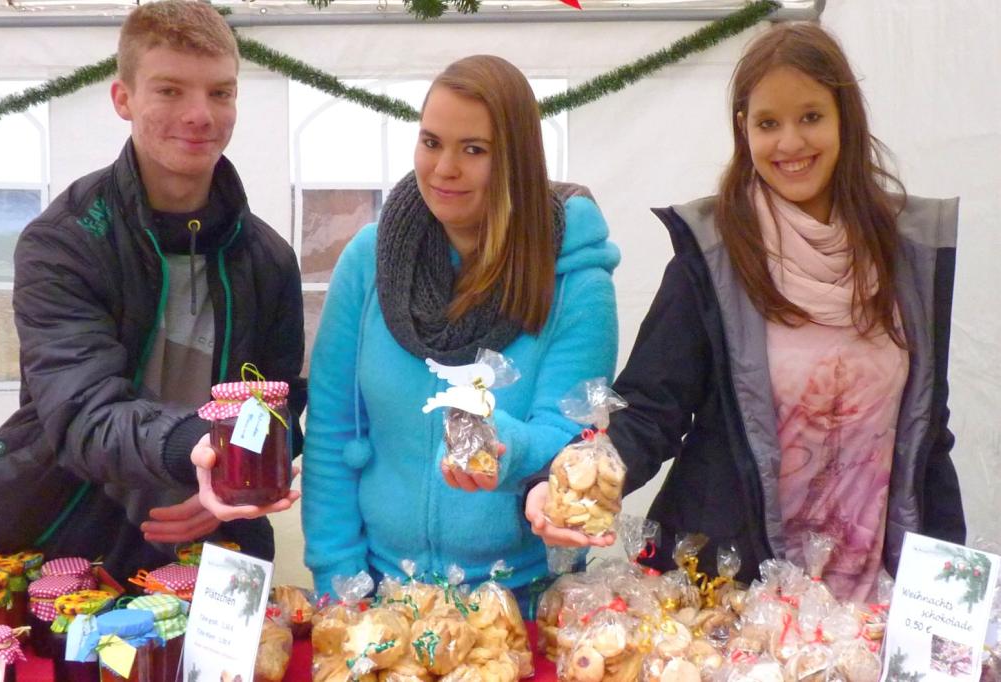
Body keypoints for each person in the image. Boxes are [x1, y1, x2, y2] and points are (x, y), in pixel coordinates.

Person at [526, 22, 964, 602]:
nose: (790, 142)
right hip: (736, 595)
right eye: (768, 123)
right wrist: (561, 485)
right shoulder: (715, 255)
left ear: (846, 119)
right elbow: (651, 411)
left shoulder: (908, 253)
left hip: (872, 592)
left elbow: (926, 433)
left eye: (811, 116)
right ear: (744, 129)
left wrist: (951, 594)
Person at [0, 0, 304, 579]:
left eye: (221, 92)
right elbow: (83, 412)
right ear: (123, 98)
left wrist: (232, 483)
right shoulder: (65, 242)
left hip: (215, 540)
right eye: (170, 90)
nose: (200, 114)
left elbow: (279, 404)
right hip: (64, 531)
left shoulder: (269, 258)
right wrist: (204, 453)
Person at [302, 55, 619, 602]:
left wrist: (500, 445)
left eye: (474, 150)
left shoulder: (576, 282)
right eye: (431, 142)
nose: (444, 168)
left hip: (522, 598)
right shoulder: (368, 262)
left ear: (517, 160)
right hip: (379, 595)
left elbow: (570, 435)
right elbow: (333, 431)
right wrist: (339, 580)